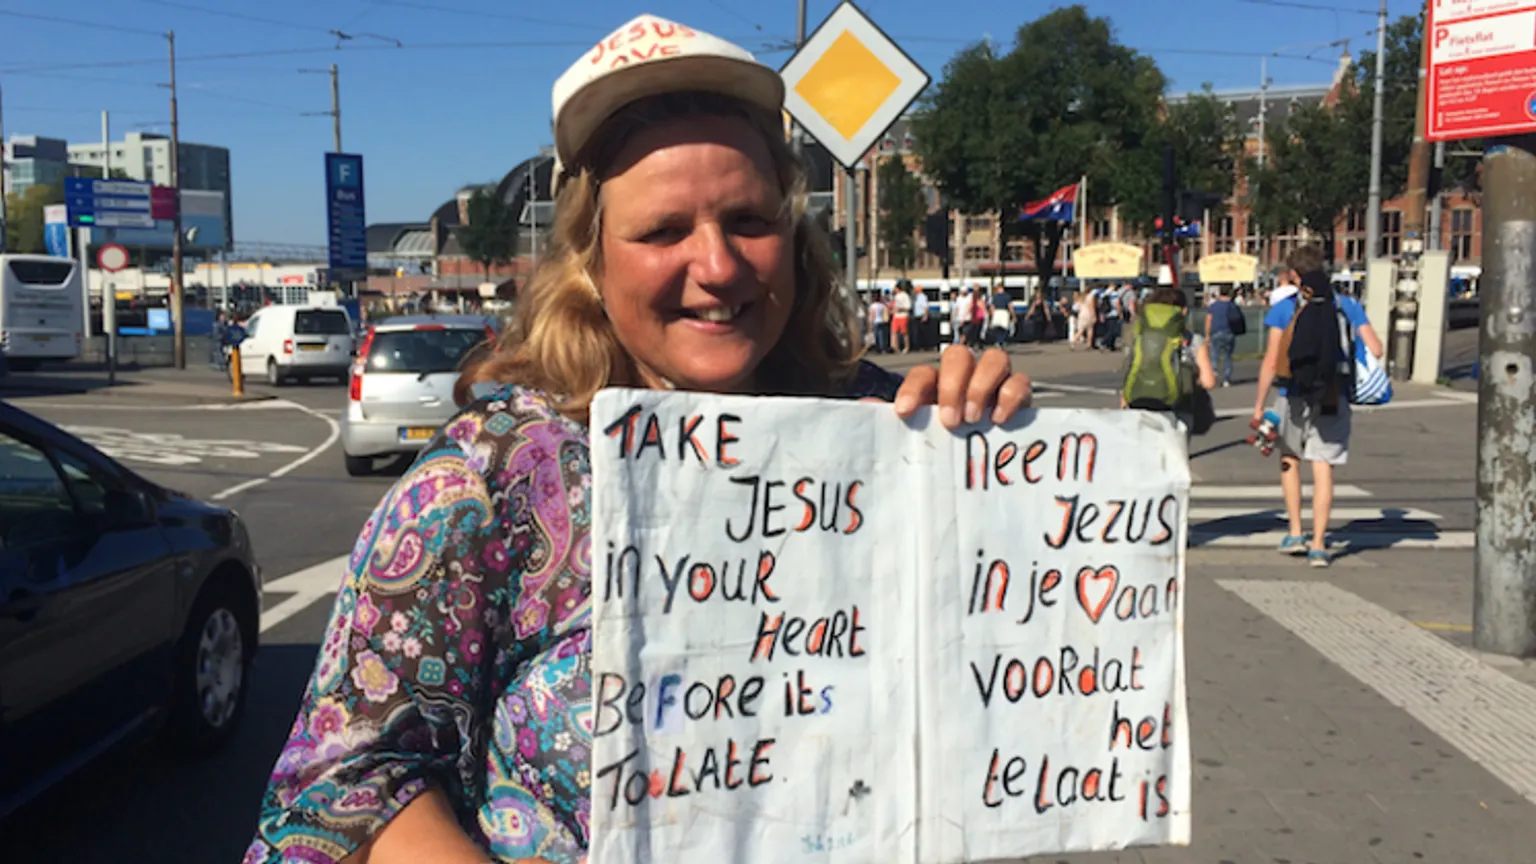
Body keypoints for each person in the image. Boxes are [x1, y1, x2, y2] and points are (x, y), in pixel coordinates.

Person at [246, 15, 1032, 864]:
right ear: (592, 259)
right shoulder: (492, 478)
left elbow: (1016, 688)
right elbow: (343, 783)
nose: (718, 266)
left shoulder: (889, 431)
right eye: (663, 231)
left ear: (796, 239)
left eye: (749, 220)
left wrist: (996, 460)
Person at [1252, 245, 1383, 568]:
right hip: (1332, 394)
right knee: (1323, 468)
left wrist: (1258, 405)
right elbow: (1376, 348)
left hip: (1293, 394)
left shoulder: (1285, 308)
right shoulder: (1347, 305)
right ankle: (1319, 544)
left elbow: (1272, 360)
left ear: (1295, 276)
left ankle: (1295, 533)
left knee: (1290, 459)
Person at [1121, 286, 1216, 440]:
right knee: (1174, 454)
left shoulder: (1139, 338)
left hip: (1140, 405)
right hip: (1180, 409)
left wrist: (1124, 401)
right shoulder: (1193, 340)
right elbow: (1209, 382)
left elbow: (1131, 369)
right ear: (1183, 311)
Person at [1204, 284, 1239, 387]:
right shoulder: (1233, 306)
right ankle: (1226, 379)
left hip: (1216, 332)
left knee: (1214, 355)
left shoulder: (1214, 306)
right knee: (1228, 356)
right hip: (1229, 332)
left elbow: (1208, 320)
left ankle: (1214, 372)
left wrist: (1207, 335)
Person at [891, 281, 912, 353]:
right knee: (894, 332)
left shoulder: (905, 295)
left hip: (903, 316)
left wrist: (900, 309)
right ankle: (895, 347)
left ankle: (907, 347)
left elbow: (908, 307)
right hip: (896, 316)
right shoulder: (895, 296)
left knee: (904, 333)